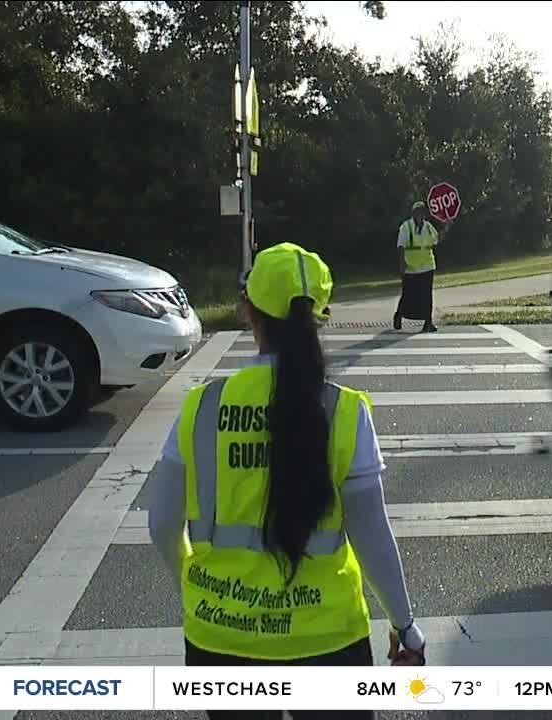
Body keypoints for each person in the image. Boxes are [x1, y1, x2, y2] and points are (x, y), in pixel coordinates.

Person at [147, 242, 426, 720]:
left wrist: (194, 593)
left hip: (221, 637)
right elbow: (371, 532)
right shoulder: (343, 409)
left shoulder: (202, 408)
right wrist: (405, 625)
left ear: (246, 312)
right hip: (328, 638)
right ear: (320, 316)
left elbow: (161, 525)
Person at [394, 201, 439, 333]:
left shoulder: (429, 227)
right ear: (413, 213)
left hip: (427, 266)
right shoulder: (406, 227)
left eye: (423, 212)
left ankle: (428, 322)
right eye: (418, 211)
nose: (421, 214)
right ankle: (399, 315)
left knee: (427, 295)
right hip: (410, 267)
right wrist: (402, 264)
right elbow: (401, 246)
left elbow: (436, 240)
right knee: (408, 294)